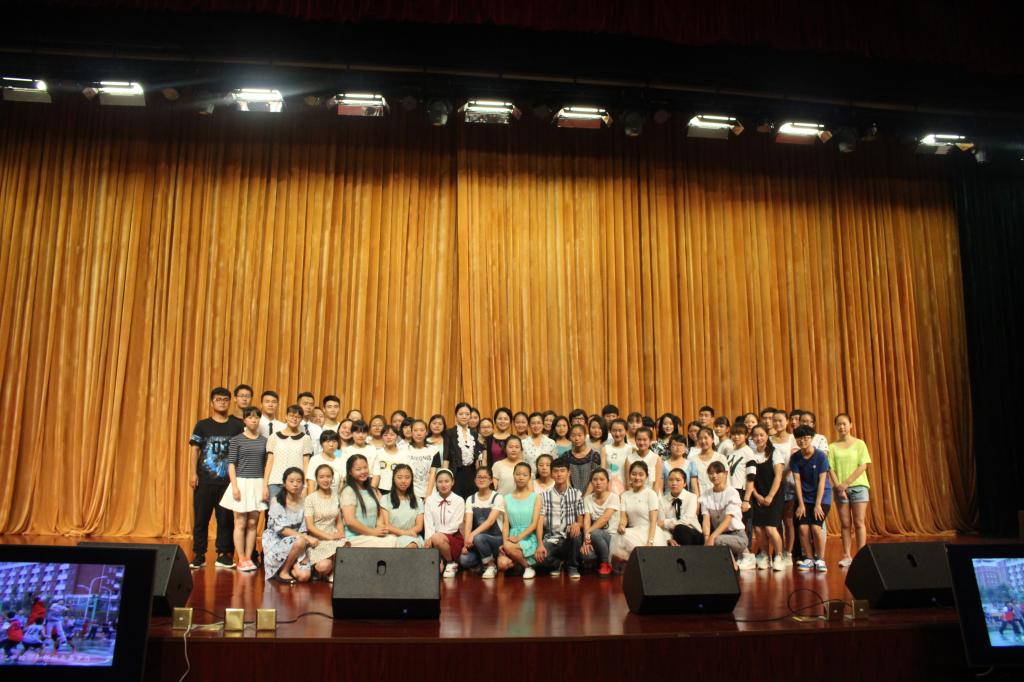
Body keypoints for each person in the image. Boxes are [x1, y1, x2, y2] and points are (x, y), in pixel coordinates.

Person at [188, 386, 244, 569]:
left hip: (227, 482)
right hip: (204, 480)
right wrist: (192, 473)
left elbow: (241, 451)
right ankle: (199, 554)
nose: (222, 402)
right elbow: (194, 449)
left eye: (225, 400)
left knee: (226, 520)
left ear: (230, 402)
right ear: (212, 403)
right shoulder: (202, 425)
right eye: (218, 399)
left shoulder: (237, 426)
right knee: (201, 519)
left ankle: (223, 555)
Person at [219, 407, 269, 572]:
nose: (254, 420)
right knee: (240, 522)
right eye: (250, 417)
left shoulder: (264, 441)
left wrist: (264, 486)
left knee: (253, 523)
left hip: (257, 483)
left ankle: (248, 557)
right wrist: (234, 486)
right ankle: (240, 558)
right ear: (245, 420)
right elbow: (231, 464)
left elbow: (266, 465)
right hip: (241, 482)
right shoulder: (237, 440)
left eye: (256, 417)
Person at [827, 413, 872, 567]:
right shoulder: (832, 447)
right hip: (840, 489)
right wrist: (839, 486)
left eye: (844, 423)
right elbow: (830, 468)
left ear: (851, 425)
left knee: (859, 522)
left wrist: (846, 483)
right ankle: (846, 555)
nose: (842, 427)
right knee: (845, 524)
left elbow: (863, 465)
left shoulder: (859, 444)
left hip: (858, 487)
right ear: (835, 426)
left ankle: (861, 556)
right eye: (838, 424)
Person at [261, 468, 314, 583]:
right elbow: (283, 530)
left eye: (299, 481)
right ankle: (283, 571)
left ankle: (291, 566)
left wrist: (304, 544)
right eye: (291, 481)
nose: (295, 484)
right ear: (284, 483)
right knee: (299, 541)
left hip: (298, 542)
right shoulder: (277, 501)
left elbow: (304, 529)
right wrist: (305, 538)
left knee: (304, 576)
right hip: (277, 541)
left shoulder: (305, 502)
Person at [611, 461, 667, 567]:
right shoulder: (625, 495)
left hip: (650, 532)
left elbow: (653, 521)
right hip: (634, 532)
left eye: (641, 474)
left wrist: (650, 541)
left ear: (646, 477)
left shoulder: (650, 494)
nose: (637, 477)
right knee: (618, 536)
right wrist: (621, 526)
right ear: (629, 476)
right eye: (634, 474)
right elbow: (623, 518)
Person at [791, 425, 832, 572]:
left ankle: (820, 559)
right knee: (802, 527)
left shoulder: (821, 456)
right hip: (804, 497)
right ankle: (809, 558)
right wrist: (801, 504)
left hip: (822, 497)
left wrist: (818, 504)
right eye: (799, 439)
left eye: (805, 438)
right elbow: (797, 481)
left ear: (812, 438)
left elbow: (822, 481)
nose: (802, 441)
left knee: (815, 527)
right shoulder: (795, 458)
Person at [537, 458, 585, 579]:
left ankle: (572, 566)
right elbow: (539, 522)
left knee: (576, 534)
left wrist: (577, 524)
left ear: (569, 473)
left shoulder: (577, 494)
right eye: (556, 471)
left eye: (562, 471)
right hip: (551, 538)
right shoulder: (544, 496)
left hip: (569, 538)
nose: (559, 474)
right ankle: (557, 564)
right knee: (539, 558)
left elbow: (581, 522)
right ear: (551, 474)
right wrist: (540, 544)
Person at [747, 424, 786, 571]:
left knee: (770, 528)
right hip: (757, 494)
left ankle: (779, 556)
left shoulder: (775, 452)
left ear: (766, 436)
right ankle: (764, 555)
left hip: (774, 495)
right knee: (758, 529)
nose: (759, 438)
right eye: (755, 436)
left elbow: (778, 476)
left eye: (761, 435)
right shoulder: (751, 454)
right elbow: (749, 478)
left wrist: (770, 496)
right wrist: (756, 496)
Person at [701, 461, 751, 569]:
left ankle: (735, 564)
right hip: (721, 534)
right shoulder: (706, 494)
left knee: (717, 540)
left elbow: (728, 520)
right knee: (711, 541)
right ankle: (741, 558)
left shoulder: (732, 493)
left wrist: (712, 537)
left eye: (718, 472)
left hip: (738, 536)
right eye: (711, 473)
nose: (714, 475)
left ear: (725, 474)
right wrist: (706, 538)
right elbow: (706, 519)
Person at [341, 454, 398, 549]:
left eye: (365, 467)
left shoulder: (372, 490)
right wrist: (373, 532)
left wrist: (380, 529)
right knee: (386, 544)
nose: (363, 471)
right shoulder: (348, 491)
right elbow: (350, 521)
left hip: (371, 535)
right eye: (358, 469)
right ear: (350, 472)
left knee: (394, 539)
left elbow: (378, 514)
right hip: (355, 537)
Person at [497, 462, 542, 579]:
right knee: (502, 564)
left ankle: (526, 567)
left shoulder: (536, 497)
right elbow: (506, 524)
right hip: (512, 537)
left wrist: (518, 538)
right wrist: (505, 542)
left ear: (530, 477)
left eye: (524, 475)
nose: (521, 477)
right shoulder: (506, 498)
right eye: (518, 474)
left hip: (529, 537)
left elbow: (534, 524)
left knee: (509, 550)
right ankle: (526, 565)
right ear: (513, 475)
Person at [304, 464, 349, 582]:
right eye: (322, 477)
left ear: (332, 478)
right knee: (322, 566)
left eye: (328, 476)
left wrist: (341, 534)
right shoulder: (310, 499)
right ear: (316, 479)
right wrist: (329, 537)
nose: (325, 480)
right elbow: (310, 526)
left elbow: (338, 520)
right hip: (318, 539)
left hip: (334, 535)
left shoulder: (336, 496)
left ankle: (334, 571)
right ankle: (328, 570)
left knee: (348, 547)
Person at [459, 467, 505, 577]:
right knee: (464, 560)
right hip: (477, 541)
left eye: (485, 477)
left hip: (496, 540)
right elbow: (468, 523)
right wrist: (466, 543)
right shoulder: (470, 499)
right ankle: (485, 561)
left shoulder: (497, 497)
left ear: (491, 480)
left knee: (479, 538)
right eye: (479, 477)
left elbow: (490, 522)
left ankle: (490, 566)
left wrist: (472, 535)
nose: (481, 479)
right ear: (475, 480)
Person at [263, 404, 314, 502]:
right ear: (286, 416)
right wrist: (265, 485)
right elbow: (269, 462)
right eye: (292, 416)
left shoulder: (306, 439)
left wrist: (305, 485)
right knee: (276, 510)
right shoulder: (274, 437)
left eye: (298, 417)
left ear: (301, 419)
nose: (294, 419)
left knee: (295, 510)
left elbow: (306, 463)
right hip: (276, 482)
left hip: (296, 483)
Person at [424, 469, 466, 577]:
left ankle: (451, 562)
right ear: (436, 483)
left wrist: (435, 536)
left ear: (452, 482)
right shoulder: (430, 500)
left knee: (437, 538)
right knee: (434, 572)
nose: (443, 485)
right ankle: (441, 559)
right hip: (434, 538)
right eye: (440, 481)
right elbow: (428, 522)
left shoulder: (459, 500)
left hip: (453, 536)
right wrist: (429, 538)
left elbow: (456, 525)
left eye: (447, 481)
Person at [581, 468, 619, 576]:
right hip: (593, 537)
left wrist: (588, 533)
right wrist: (585, 540)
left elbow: (604, 519)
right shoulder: (587, 499)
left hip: (612, 538)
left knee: (595, 533)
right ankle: (601, 559)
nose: (598, 482)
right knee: (586, 554)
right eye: (595, 479)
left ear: (607, 482)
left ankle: (605, 563)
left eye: (602, 479)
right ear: (591, 482)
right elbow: (587, 519)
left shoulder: (614, 497)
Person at [772, 409, 798, 565]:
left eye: (780, 420)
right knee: (776, 520)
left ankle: (788, 552)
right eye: (774, 421)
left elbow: (793, 461)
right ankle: (779, 551)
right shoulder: (769, 439)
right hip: (773, 485)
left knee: (788, 520)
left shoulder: (793, 439)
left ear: (787, 421)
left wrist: (780, 476)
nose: (777, 423)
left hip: (788, 483)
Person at [442, 403, 485, 499]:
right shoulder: (449, 433)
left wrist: (480, 474)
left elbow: (477, 457)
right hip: (455, 473)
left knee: (471, 501)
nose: (464, 416)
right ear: (456, 415)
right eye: (461, 414)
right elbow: (446, 457)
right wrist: (445, 476)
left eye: (467, 414)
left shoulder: (474, 433)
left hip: (472, 473)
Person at [381, 464, 424, 548]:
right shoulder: (385, 498)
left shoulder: (418, 501)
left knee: (412, 545)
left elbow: (419, 526)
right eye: (399, 477)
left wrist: (408, 534)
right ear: (393, 479)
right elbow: (386, 525)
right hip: (391, 536)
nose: (403, 481)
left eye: (407, 477)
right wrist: (404, 533)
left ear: (411, 479)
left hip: (412, 536)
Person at [659, 468, 702, 546]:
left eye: (678, 480)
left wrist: (666, 523)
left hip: (693, 533)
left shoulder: (692, 497)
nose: (674, 483)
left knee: (680, 529)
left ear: (685, 483)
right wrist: (668, 539)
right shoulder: (662, 500)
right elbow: (660, 525)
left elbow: (686, 520)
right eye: (671, 480)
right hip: (672, 535)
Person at [370, 425, 410, 495]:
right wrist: (375, 492)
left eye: (392, 435)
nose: (389, 437)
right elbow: (375, 475)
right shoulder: (378, 453)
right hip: (379, 490)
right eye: (385, 435)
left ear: (397, 437)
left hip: (397, 491)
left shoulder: (403, 455)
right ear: (382, 437)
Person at [407, 419, 441, 499]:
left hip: (429, 493)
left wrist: (428, 496)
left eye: (422, 430)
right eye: (415, 430)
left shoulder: (434, 450)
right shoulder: (404, 449)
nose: (419, 433)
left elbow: (433, 474)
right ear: (411, 432)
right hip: (410, 494)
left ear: (426, 432)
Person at [626, 427, 663, 494]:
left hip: (653, 494)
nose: (641, 442)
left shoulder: (656, 458)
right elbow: (629, 484)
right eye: (639, 439)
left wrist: (653, 498)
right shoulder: (629, 459)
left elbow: (657, 483)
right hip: (634, 495)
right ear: (635, 440)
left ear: (650, 440)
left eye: (645, 440)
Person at [602, 419, 634, 495]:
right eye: (614, 430)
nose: (617, 433)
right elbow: (603, 472)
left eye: (620, 430)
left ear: (626, 431)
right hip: (610, 489)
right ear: (610, 431)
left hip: (627, 489)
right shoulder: (605, 449)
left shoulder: (632, 449)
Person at [567, 424, 602, 493]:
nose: (577, 439)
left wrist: (586, 496)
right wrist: (573, 494)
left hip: (591, 495)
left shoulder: (594, 455)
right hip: (571, 494)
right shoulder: (566, 456)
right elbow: (566, 478)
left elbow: (596, 478)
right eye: (573, 436)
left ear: (585, 436)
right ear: (570, 437)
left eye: (580, 435)